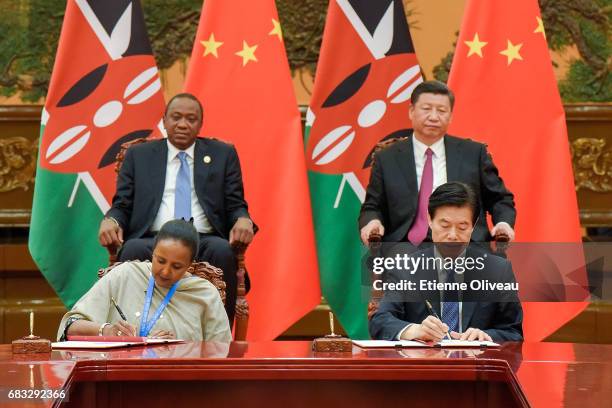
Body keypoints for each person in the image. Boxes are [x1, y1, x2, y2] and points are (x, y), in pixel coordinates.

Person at [98, 93, 255, 325]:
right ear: (164, 121)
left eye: (191, 119)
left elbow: (235, 204)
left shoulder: (223, 154)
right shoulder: (138, 156)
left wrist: (243, 219)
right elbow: (122, 204)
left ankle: (220, 340)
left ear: (200, 124)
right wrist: (111, 219)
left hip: (204, 239)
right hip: (153, 239)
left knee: (223, 251)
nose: (183, 124)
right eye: (176, 117)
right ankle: (127, 331)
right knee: (131, 250)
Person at [359, 80, 515, 246]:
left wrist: (503, 224)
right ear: (411, 111)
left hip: (465, 246)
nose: (433, 117)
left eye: (441, 111)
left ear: (450, 117)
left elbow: (500, 199)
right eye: (426, 109)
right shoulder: (387, 158)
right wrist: (372, 223)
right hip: (405, 249)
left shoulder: (473, 153)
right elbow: (372, 206)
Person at [369, 182, 523, 342]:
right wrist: (414, 330)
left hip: (476, 363)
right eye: (444, 225)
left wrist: (487, 337)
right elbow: (380, 321)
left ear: (473, 225)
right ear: (430, 220)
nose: (452, 235)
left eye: (462, 227)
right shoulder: (406, 268)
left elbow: (513, 332)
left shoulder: (498, 271)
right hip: (423, 363)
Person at [58, 220, 232, 342]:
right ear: (153, 252)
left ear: (190, 264)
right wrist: (107, 330)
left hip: (181, 384)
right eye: (161, 261)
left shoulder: (205, 294)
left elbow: (221, 352)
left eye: (177, 266)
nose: (165, 271)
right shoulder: (125, 275)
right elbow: (70, 326)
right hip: (119, 381)